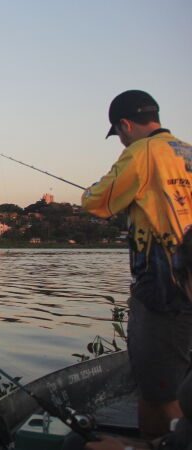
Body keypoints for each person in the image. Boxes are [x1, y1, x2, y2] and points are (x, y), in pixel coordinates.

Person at [82, 90, 192, 438]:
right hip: (189, 282)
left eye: (120, 134)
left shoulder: (142, 153)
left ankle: (176, 441)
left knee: (160, 390)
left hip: (163, 289)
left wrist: (93, 191)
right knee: (153, 383)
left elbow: (98, 202)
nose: (122, 141)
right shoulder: (186, 151)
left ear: (125, 124)